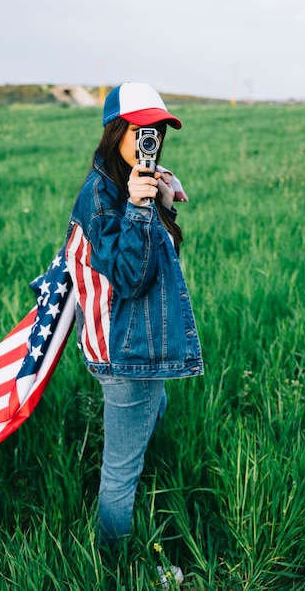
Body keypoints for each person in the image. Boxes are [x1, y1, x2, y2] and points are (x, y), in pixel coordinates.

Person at [65, 83, 203, 575]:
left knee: (155, 409)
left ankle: (139, 485)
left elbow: (160, 258)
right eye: (140, 128)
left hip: (137, 339)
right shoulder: (103, 197)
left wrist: (162, 201)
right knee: (119, 472)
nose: (151, 137)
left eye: (158, 128)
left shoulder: (126, 179)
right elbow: (129, 277)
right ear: (116, 130)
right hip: (127, 348)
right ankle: (114, 567)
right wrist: (141, 208)